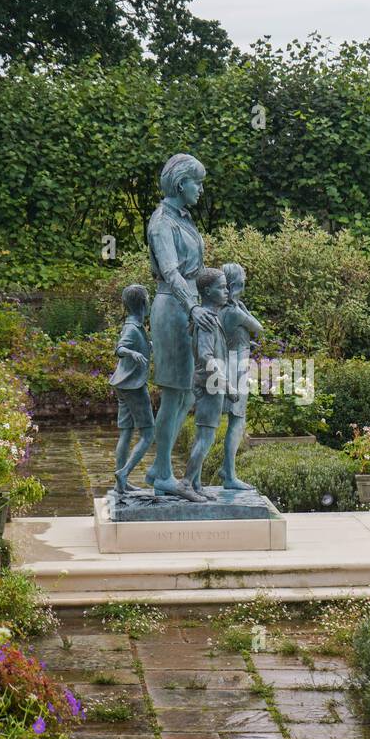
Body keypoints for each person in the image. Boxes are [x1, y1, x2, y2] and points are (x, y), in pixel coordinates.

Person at [144, 153, 220, 502]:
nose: (201, 189)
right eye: (197, 182)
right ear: (180, 185)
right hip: (173, 308)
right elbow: (171, 271)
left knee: (188, 393)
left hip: (190, 307)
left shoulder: (184, 220)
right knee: (174, 393)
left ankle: (160, 470)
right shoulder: (162, 222)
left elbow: (194, 270)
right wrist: (191, 305)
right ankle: (164, 474)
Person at [184, 268, 232, 495]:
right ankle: (186, 484)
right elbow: (205, 355)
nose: (227, 291)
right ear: (207, 291)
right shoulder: (207, 320)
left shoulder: (210, 317)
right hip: (209, 384)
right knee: (205, 438)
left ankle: (195, 484)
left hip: (210, 383)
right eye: (222, 287)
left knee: (204, 436)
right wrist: (226, 384)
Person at [220, 262, 262, 490]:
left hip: (228, 361)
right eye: (244, 275)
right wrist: (244, 309)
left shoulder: (220, 309)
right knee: (237, 421)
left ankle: (227, 469)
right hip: (236, 367)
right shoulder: (235, 311)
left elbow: (233, 337)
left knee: (234, 420)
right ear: (238, 282)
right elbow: (259, 327)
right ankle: (230, 474)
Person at [109, 284, 153, 493]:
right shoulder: (132, 328)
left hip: (122, 384)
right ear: (144, 303)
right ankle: (124, 473)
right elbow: (120, 348)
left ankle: (121, 484)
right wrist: (132, 353)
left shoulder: (135, 325)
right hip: (133, 386)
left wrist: (148, 346)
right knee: (148, 434)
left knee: (126, 432)